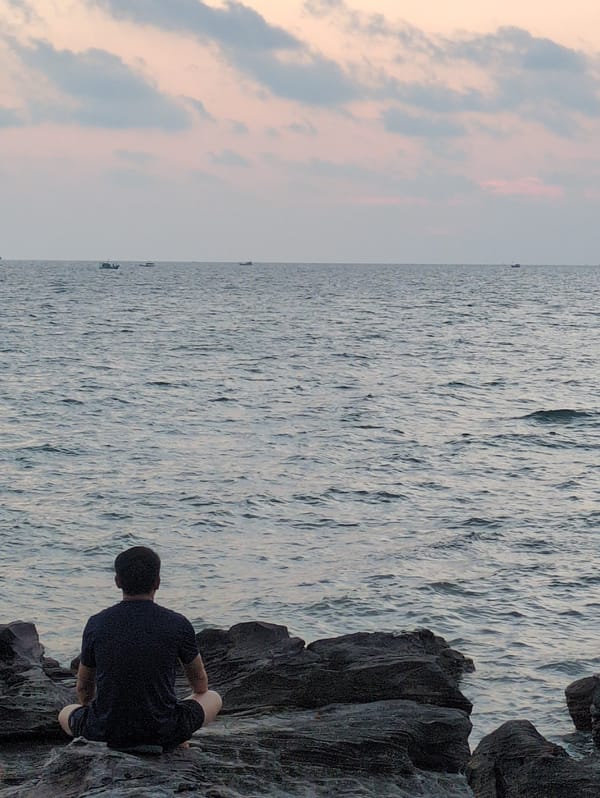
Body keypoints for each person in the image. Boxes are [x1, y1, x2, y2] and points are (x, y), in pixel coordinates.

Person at [58, 546, 222, 750]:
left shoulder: (96, 623)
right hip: (163, 731)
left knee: (65, 712)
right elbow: (200, 683)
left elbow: (83, 688)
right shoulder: (177, 623)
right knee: (213, 697)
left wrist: (94, 712)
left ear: (117, 581)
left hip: (105, 733)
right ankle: (178, 739)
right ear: (158, 582)